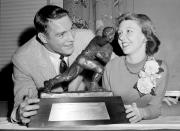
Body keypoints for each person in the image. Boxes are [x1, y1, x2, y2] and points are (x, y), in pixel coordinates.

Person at [10, 5, 95, 125]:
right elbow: (23, 102)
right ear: (43, 38)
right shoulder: (23, 59)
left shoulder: (87, 38)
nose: (71, 38)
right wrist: (20, 112)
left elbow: (118, 68)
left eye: (71, 29)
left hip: (90, 115)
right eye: (61, 34)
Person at [102, 13, 169, 123]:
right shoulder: (111, 67)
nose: (122, 38)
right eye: (120, 33)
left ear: (145, 36)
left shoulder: (160, 68)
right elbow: (106, 106)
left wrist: (142, 113)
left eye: (129, 31)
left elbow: (155, 108)